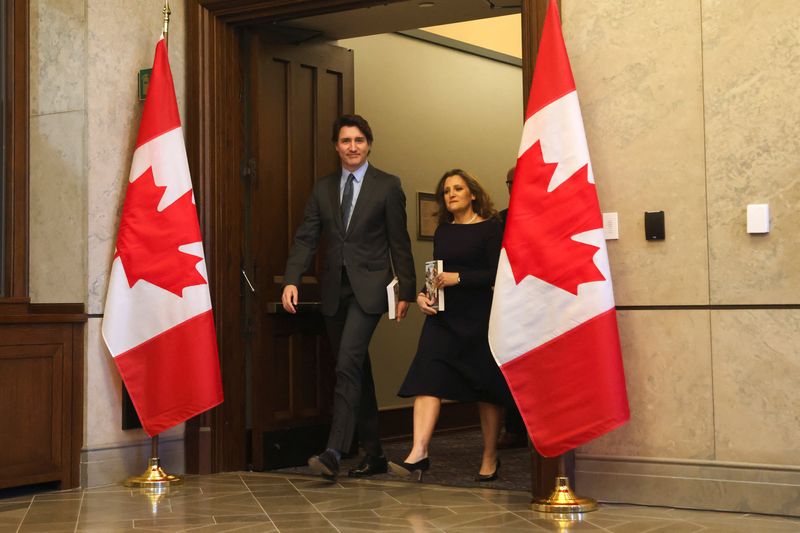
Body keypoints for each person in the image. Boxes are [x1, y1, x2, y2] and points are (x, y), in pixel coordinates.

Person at [281, 114, 416, 481]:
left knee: (346, 364)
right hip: (333, 292)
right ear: (335, 146)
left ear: (369, 143)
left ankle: (334, 452)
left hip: (370, 291)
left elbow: (398, 241)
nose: (352, 147)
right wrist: (292, 278)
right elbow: (307, 237)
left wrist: (406, 288)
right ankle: (374, 454)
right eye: (345, 141)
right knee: (356, 369)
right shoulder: (323, 188)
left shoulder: (388, 185)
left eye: (358, 140)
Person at [389, 169, 510, 482]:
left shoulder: (490, 228)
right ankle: (419, 453)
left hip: (479, 316)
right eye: (446, 191)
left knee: (486, 387)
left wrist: (462, 278)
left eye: (458, 188)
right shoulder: (443, 231)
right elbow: (435, 272)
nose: (452, 194)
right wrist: (422, 297)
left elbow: (498, 274)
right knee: (426, 377)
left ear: (472, 193)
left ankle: (489, 456)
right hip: (442, 317)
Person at [496, 167, 528, 450]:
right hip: (509, 303)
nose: (514, 186)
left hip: (543, 302)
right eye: (510, 182)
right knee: (510, 369)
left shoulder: (548, 214)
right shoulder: (499, 221)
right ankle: (515, 429)